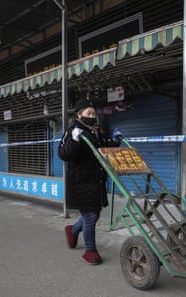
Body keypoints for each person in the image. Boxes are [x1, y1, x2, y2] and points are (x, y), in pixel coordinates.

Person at [58, 99, 121, 265]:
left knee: (95, 213)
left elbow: (104, 146)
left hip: (97, 179)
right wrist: (74, 140)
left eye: (94, 113)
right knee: (91, 216)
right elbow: (63, 154)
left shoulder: (96, 131)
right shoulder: (72, 131)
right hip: (80, 181)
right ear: (79, 114)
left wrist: (115, 140)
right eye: (89, 113)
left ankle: (72, 230)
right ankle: (90, 250)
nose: (92, 116)